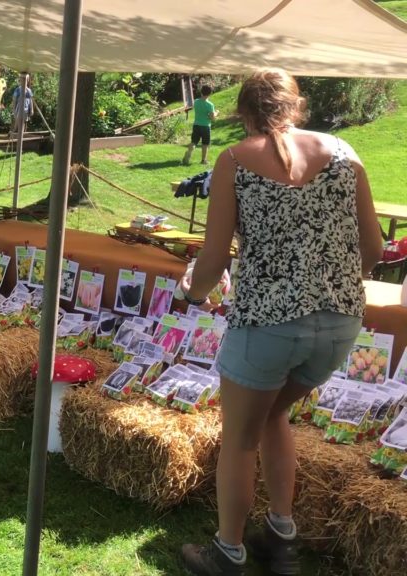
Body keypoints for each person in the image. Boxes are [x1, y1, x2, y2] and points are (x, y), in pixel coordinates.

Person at [179, 69, 384, 576]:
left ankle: (228, 553)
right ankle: (281, 535)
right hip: (338, 326)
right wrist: (328, 284)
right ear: (297, 105)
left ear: (244, 112)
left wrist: (193, 293)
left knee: (240, 437)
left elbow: (211, 260)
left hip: (267, 323)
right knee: (274, 415)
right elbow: (375, 249)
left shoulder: (232, 161)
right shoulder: (344, 153)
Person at [184, 85, 219, 166]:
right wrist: (216, 113)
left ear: (201, 92)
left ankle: (189, 152)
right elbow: (212, 118)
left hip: (196, 125)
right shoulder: (210, 105)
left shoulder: (196, 101)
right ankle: (203, 160)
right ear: (210, 93)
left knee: (194, 142)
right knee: (205, 144)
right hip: (205, 126)